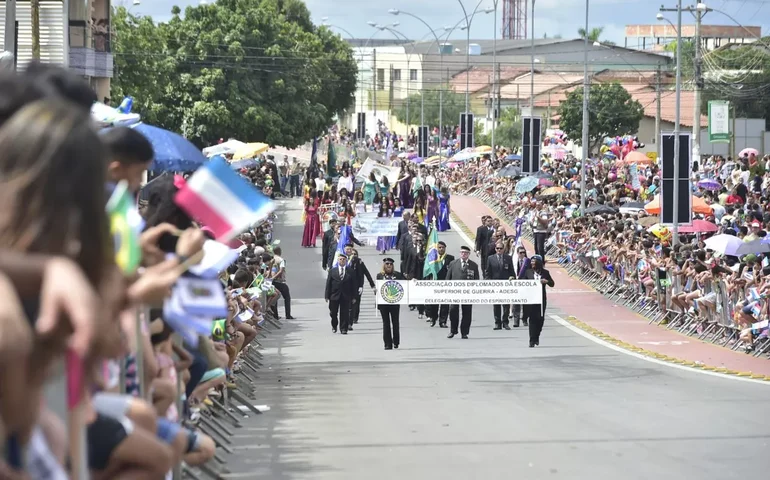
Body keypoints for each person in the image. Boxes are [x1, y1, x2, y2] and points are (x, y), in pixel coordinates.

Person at [445, 246, 480, 339]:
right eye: (462, 252)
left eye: (465, 252)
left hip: (468, 293)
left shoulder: (473, 265)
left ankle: (464, 332)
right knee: (453, 311)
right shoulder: (453, 263)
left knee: (467, 312)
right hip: (455, 292)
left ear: (468, 254)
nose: (463, 254)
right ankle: (453, 330)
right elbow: (448, 278)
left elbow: (476, 280)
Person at [522, 255, 555, 347]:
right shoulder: (528, 272)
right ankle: (532, 340)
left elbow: (552, 284)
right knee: (532, 319)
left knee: (540, 319)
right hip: (531, 299)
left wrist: (546, 281)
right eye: (531, 262)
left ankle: (537, 336)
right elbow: (522, 283)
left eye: (534, 262)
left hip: (541, 299)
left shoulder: (545, 272)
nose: (532, 264)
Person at [324, 253, 357, 334]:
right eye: (340, 259)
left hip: (346, 295)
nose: (342, 261)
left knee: (344, 313)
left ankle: (343, 328)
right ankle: (334, 325)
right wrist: (327, 296)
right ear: (338, 260)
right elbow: (328, 284)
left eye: (343, 259)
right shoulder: (332, 271)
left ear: (346, 261)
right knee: (333, 312)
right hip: (334, 295)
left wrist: (354, 297)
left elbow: (354, 284)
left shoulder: (350, 271)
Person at [376, 258, 405, 350]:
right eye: (387, 264)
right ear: (384, 265)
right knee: (386, 323)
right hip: (383, 303)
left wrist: (413, 281)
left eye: (390, 264)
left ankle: (396, 341)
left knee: (395, 322)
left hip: (394, 303)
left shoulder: (397, 275)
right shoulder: (380, 275)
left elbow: (405, 284)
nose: (389, 265)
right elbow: (378, 289)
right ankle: (387, 343)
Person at [485, 241, 514, 330]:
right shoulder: (491, 258)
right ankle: (497, 323)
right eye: (497, 248)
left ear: (503, 249)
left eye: (501, 248)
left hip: (505, 285)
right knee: (496, 305)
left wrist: (512, 278)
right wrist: (488, 282)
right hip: (495, 285)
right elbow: (488, 272)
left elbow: (511, 271)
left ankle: (505, 322)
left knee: (506, 305)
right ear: (495, 249)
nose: (499, 250)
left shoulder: (508, 258)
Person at [426, 241, 454, 328]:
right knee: (434, 304)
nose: (441, 249)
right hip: (435, 283)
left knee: (445, 304)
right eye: (439, 247)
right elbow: (428, 271)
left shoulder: (450, 258)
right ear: (437, 249)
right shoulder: (432, 258)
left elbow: (451, 271)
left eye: (443, 247)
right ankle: (433, 318)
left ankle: (443, 321)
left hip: (445, 284)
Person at [346, 245, 375, 326]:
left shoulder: (359, 262)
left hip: (358, 285)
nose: (354, 255)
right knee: (348, 303)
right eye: (352, 254)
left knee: (356, 302)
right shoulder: (346, 262)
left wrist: (372, 285)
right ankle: (349, 317)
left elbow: (367, 273)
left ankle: (355, 317)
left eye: (355, 254)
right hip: (348, 285)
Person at [270, 247, 294, 320]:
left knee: (274, 297)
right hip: (280, 281)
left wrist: (271, 278)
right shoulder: (281, 260)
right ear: (280, 251)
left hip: (272, 282)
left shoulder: (271, 259)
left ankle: (275, 315)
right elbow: (281, 270)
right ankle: (288, 314)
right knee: (287, 297)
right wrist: (274, 277)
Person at [510, 245, 531, 328]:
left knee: (526, 304)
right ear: (517, 253)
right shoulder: (513, 261)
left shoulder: (528, 261)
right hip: (516, 284)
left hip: (525, 284)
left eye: (523, 252)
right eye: (520, 252)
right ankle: (516, 320)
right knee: (516, 303)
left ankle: (525, 319)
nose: (522, 254)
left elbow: (530, 272)